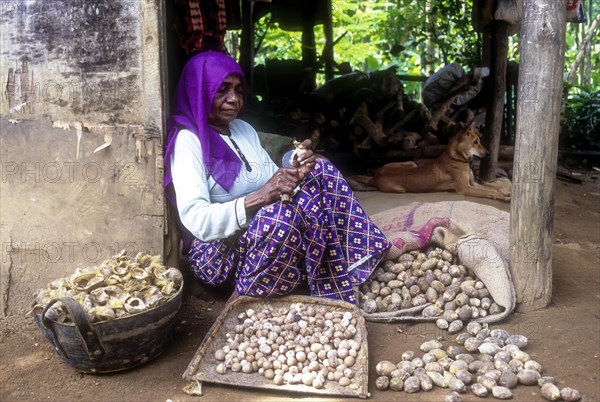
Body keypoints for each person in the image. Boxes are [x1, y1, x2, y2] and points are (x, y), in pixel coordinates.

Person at [164, 51, 390, 304]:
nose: (234, 99)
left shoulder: (243, 129)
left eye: (239, 90)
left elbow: (273, 179)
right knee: (280, 218)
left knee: (321, 171)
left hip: (260, 235)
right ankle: (246, 298)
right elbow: (197, 220)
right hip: (217, 253)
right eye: (221, 90)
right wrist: (258, 198)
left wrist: (296, 168)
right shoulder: (188, 141)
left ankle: (351, 267)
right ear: (199, 92)